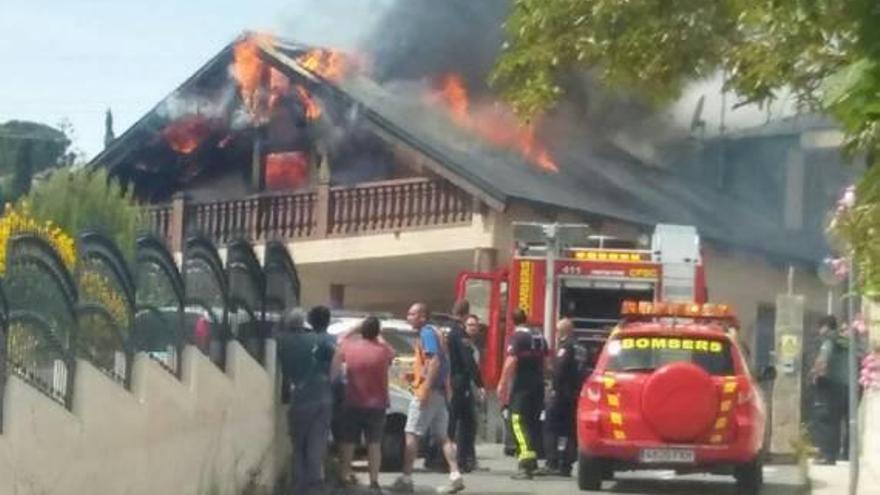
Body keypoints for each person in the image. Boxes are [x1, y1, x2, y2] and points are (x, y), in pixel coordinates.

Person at [391, 303, 465, 494]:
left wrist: (425, 388)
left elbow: (435, 361)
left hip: (429, 392)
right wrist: (415, 376)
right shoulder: (436, 331)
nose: (409, 317)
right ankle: (455, 474)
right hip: (439, 392)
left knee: (412, 433)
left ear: (423, 316)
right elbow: (436, 362)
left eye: (412, 313)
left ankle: (406, 478)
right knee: (443, 436)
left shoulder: (427, 333)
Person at [332, 316, 396, 493]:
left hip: (353, 400)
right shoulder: (383, 350)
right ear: (377, 332)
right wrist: (379, 336)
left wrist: (355, 328)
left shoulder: (350, 347)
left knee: (348, 442)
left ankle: (345, 475)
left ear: (362, 331)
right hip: (378, 404)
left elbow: (340, 339)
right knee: (374, 444)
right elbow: (393, 353)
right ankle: (374, 481)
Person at [276, 308, 336, 495]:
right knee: (316, 443)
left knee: (298, 445)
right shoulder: (319, 339)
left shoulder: (281, 341)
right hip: (323, 397)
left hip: (300, 399)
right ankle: (315, 485)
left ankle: (299, 486)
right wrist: (330, 379)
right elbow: (338, 355)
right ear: (303, 323)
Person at [496, 308, 548, 480]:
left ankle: (525, 464)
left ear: (513, 321)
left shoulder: (518, 337)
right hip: (538, 385)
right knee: (532, 423)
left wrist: (502, 383)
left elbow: (512, 360)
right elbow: (546, 361)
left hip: (522, 385)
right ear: (526, 319)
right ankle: (532, 462)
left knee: (517, 421)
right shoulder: (539, 336)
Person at [538, 318, 585, 477]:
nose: (556, 334)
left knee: (551, 427)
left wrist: (553, 388)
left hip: (561, 394)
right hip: (574, 395)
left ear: (562, 331)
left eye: (557, 331)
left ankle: (552, 462)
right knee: (569, 430)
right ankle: (566, 464)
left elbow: (559, 370)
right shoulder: (581, 347)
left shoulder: (566, 347)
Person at [447, 301, 485, 473]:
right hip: (460, 382)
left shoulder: (450, 330)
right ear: (465, 314)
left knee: (456, 421)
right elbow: (468, 361)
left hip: (453, 381)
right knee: (463, 423)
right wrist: (480, 384)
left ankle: (458, 459)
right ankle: (459, 460)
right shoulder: (459, 333)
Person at [811, 315, 852, 465]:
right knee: (848, 421)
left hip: (832, 384)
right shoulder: (846, 341)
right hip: (849, 386)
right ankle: (847, 454)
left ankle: (828, 456)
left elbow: (823, 359)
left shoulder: (829, 340)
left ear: (826, 327)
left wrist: (815, 374)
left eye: (820, 327)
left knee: (828, 420)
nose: (819, 331)